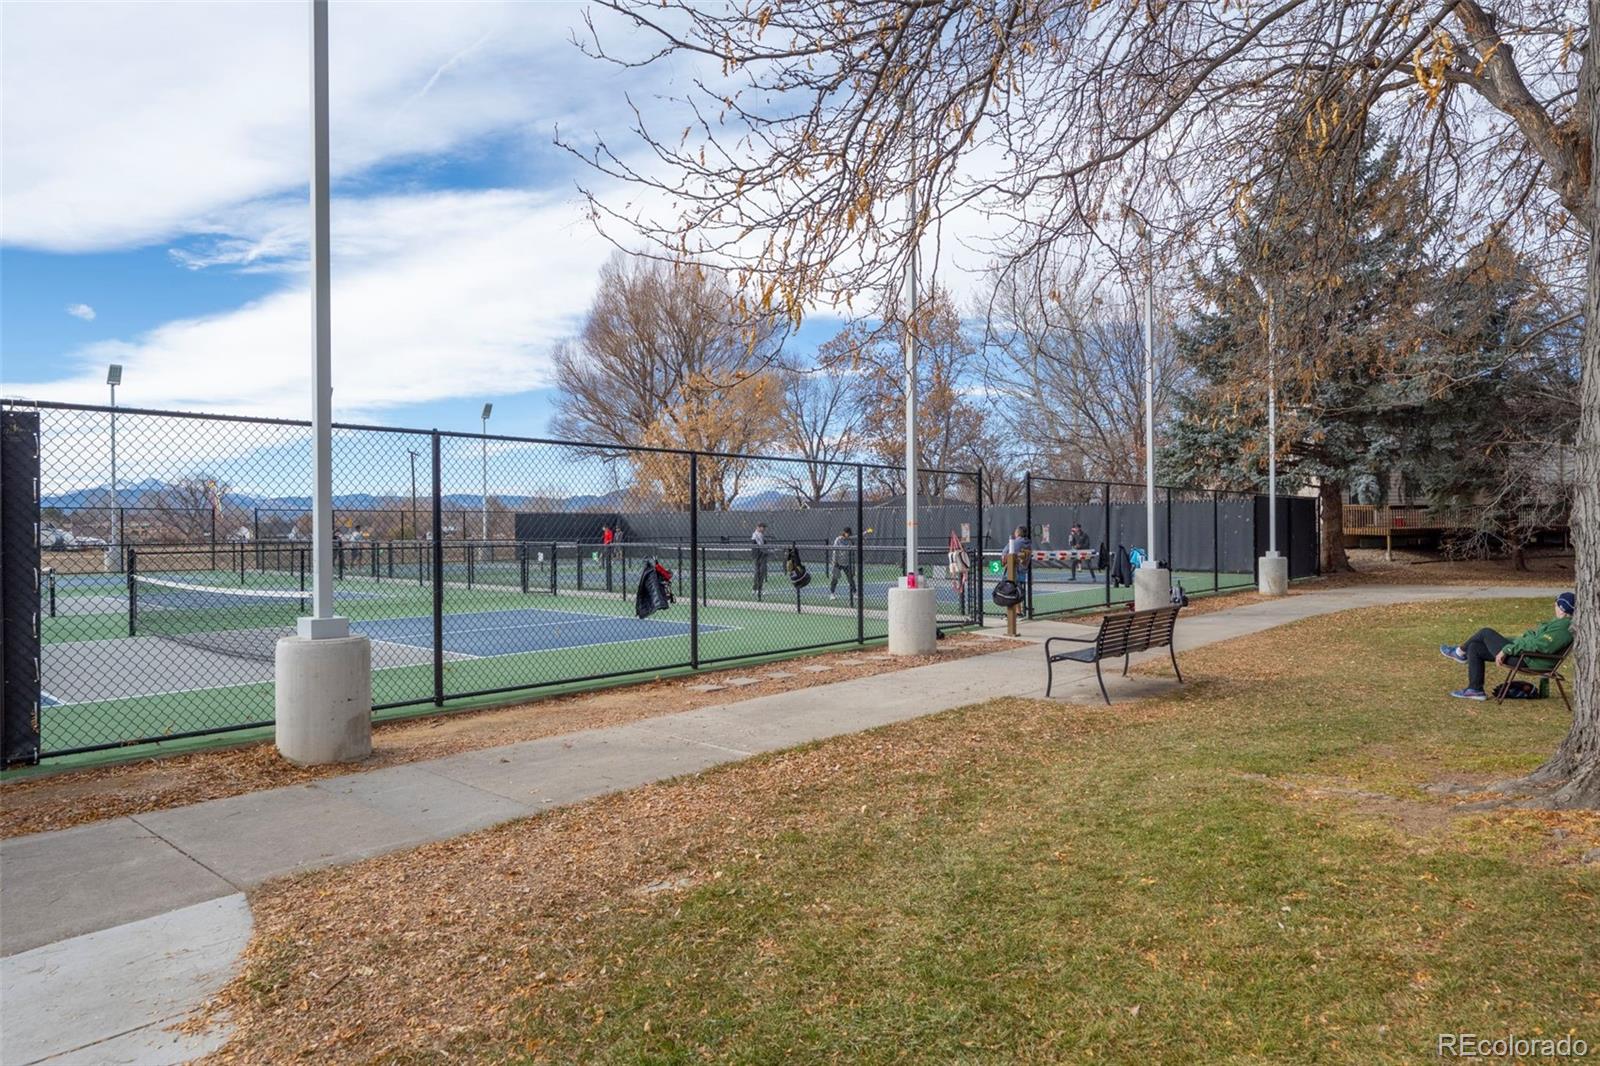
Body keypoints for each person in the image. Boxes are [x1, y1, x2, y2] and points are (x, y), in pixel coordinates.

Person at [1440, 592, 1575, 700]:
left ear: (1562, 609)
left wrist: (1507, 649)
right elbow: (1530, 640)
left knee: (1485, 632)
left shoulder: (1563, 628)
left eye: (1557, 604)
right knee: (1475, 647)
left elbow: (1539, 645)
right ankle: (1475, 690)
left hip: (1528, 660)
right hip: (1525, 656)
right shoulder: (1559, 623)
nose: (1554, 606)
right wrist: (1508, 642)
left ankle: (1459, 652)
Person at [829, 526, 857, 603]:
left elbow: (852, 552)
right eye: (848, 533)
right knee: (835, 578)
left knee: (850, 578)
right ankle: (832, 593)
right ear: (844, 533)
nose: (849, 535)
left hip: (847, 563)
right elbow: (835, 551)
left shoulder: (850, 541)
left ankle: (854, 593)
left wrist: (853, 566)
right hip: (837, 563)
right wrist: (834, 561)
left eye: (849, 533)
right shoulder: (838, 540)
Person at [751, 522, 769, 592]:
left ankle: (759, 588)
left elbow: (763, 545)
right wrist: (766, 551)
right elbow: (760, 546)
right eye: (763, 527)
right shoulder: (755, 535)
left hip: (762, 555)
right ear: (758, 527)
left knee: (761, 572)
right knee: (758, 572)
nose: (764, 529)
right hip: (758, 555)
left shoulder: (761, 535)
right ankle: (756, 588)